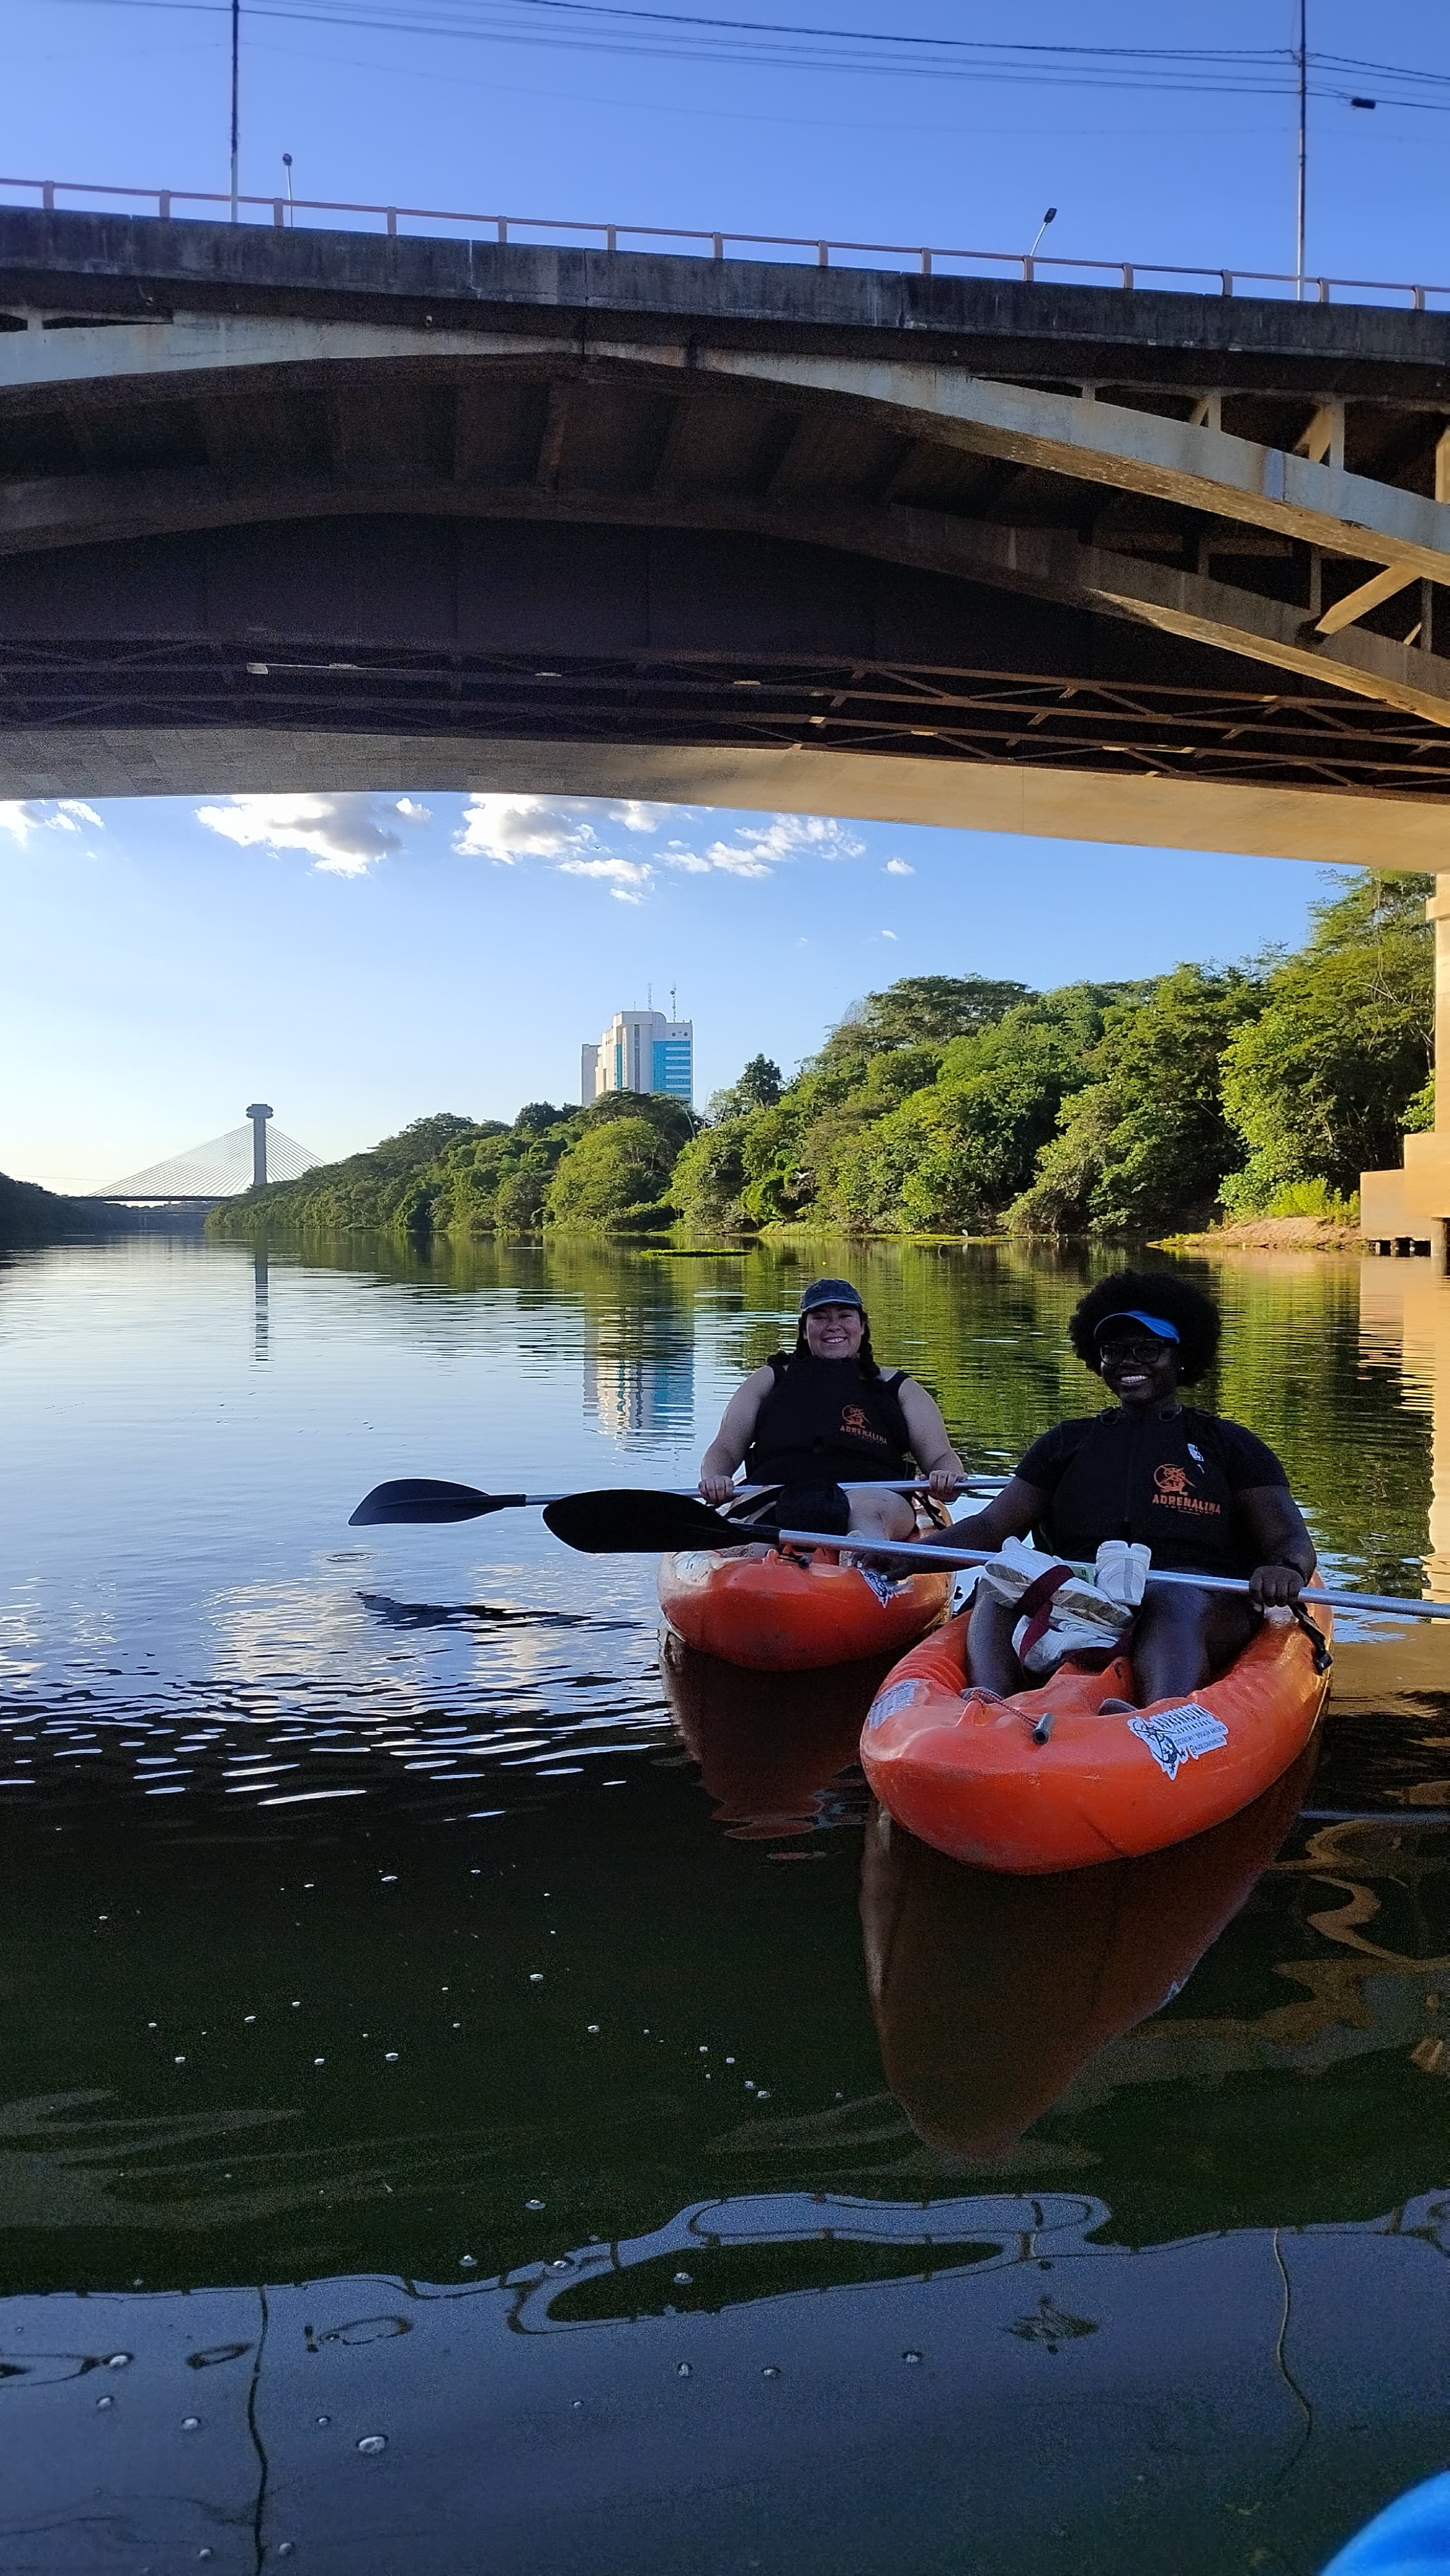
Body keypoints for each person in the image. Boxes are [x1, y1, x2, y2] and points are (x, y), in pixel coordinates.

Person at [933, 1269, 1316, 1708]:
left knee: (1172, 1596)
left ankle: (1160, 1716)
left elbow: (1289, 1538)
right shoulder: (1065, 1443)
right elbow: (991, 1527)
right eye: (1113, 1351)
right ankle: (991, 1702)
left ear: (1182, 1355)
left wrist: (1285, 1566)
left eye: (1147, 1349)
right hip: (1081, 1592)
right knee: (996, 1583)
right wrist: (904, 1559)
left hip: (1197, 1599)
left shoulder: (1231, 1446)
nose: (1128, 1361)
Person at [698, 1276, 965, 1543]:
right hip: (775, 1491)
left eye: (845, 1316)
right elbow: (726, 1446)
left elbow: (940, 1455)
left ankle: (865, 1562)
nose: (833, 1326)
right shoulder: (770, 1379)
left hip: (873, 1493)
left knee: (865, 1512)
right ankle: (757, 1568)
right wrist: (716, 1478)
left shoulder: (898, 1387)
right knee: (760, 1533)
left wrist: (946, 1476)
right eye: (821, 1317)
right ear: (804, 1330)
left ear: (862, 1326)